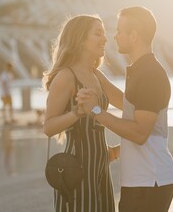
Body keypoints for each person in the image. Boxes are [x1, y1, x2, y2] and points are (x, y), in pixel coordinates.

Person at [77, 6, 173, 212]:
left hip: (150, 181)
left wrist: (96, 111)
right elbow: (127, 106)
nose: (114, 37)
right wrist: (92, 73)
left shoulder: (150, 75)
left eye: (119, 31)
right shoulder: (141, 70)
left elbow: (139, 133)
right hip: (143, 181)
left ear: (133, 36)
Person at [42, 14, 123, 212]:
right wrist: (77, 112)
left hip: (102, 166)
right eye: (98, 33)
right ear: (80, 38)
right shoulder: (66, 76)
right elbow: (48, 127)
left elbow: (128, 104)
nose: (105, 39)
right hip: (75, 170)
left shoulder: (97, 75)